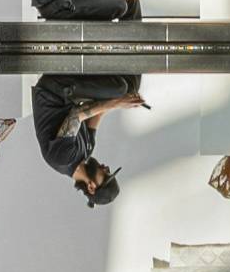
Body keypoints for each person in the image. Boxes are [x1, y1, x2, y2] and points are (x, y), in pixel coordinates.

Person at [33, 68, 147, 206]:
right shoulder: (87, 150)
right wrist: (127, 103)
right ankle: (135, 50)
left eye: (105, 176)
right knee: (130, 90)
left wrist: (117, 102)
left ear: (91, 187)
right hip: (69, 94)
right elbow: (99, 113)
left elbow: (75, 116)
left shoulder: (63, 160)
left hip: (54, 89)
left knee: (120, 89)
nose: (106, 169)